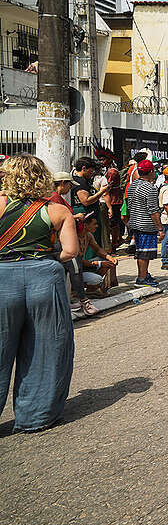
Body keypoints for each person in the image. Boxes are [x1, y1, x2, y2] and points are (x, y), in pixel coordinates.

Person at [0, 154, 79, 432]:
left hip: (2, 278)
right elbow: (70, 251)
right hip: (44, 277)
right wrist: (43, 259)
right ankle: (35, 416)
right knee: (44, 348)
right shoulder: (56, 210)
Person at [125, 160, 164, 287]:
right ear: (151, 172)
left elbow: (129, 204)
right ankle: (142, 278)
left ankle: (144, 274)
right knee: (145, 253)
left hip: (135, 223)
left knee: (141, 251)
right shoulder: (150, 188)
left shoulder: (133, 185)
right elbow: (153, 211)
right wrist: (160, 228)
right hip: (146, 225)